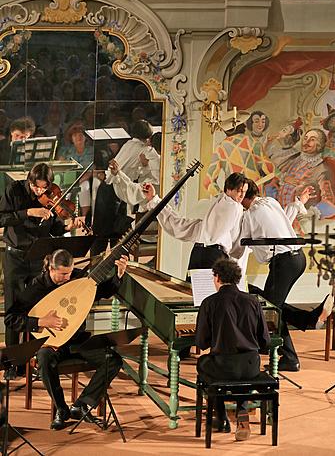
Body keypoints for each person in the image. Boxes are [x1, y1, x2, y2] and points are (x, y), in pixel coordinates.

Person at [5, 249, 128, 431]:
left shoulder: (78, 279)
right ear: (50, 269)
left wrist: (118, 275)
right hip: (53, 343)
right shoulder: (36, 288)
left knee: (113, 360)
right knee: (44, 358)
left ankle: (82, 404)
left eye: (69, 273)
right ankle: (61, 409)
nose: (67, 277)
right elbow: (11, 318)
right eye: (62, 274)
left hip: (78, 341)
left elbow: (102, 291)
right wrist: (40, 321)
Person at [231, 179, 334, 372]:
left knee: (271, 311)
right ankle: (309, 319)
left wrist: (225, 259)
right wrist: (298, 203)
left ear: (244, 196)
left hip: (284, 262)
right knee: (272, 305)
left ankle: (290, 358)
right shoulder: (270, 202)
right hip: (298, 259)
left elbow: (239, 245)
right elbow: (286, 220)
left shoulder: (250, 215)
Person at [0, 163, 82, 378]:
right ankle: (11, 365)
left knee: (38, 309)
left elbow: (54, 227)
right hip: (15, 257)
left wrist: (68, 226)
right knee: (14, 310)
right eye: (36, 188)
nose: (41, 193)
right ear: (30, 181)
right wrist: (28, 212)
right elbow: (2, 218)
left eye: (44, 188)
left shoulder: (50, 196)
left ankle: (33, 362)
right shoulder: (14, 190)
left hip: (38, 259)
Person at [195, 257, 271, 441]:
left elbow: (201, 342)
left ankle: (220, 416)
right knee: (240, 371)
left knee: (204, 365)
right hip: (251, 366)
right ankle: (242, 413)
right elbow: (265, 341)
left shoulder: (209, 302)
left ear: (217, 277)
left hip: (223, 365)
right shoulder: (253, 301)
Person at [143, 172, 248, 274]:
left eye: (245, 192)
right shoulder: (235, 207)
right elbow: (236, 243)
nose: (242, 195)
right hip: (214, 256)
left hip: (198, 253)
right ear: (229, 189)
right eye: (239, 191)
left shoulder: (215, 204)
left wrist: (154, 200)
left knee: (190, 290)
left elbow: (180, 225)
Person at [204, 111, 274, 196]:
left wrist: (224, 197)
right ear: (242, 126)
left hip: (234, 197)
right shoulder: (253, 143)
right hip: (255, 195)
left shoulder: (220, 148)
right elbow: (271, 171)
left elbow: (208, 182)